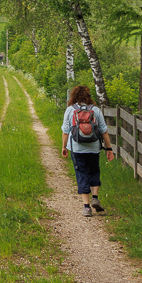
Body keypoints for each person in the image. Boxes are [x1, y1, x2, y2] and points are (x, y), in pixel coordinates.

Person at [60, 84, 114, 217]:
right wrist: (109, 148)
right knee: (94, 171)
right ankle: (95, 197)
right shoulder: (95, 110)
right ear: (89, 96)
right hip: (94, 148)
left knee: (81, 173)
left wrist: (64, 147)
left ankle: (86, 207)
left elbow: (66, 131)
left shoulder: (70, 110)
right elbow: (104, 131)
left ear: (73, 96)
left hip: (76, 148)